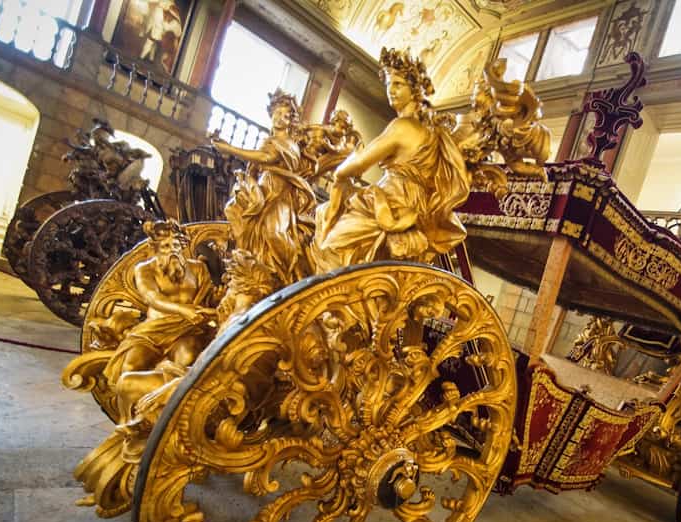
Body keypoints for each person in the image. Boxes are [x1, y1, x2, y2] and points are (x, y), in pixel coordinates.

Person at [314, 47, 469, 270]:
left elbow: (360, 163)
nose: (390, 90)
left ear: (414, 88)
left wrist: (341, 170)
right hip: (413, 207)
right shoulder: (432, 133)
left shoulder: (403, 127)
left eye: (398, 84)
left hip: (393, 203)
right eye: (388, 84)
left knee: (332, 247)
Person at [102, 219, 214, 422]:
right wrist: (183, 310)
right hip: (153, 331)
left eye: (176, 246)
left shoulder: (198, 269)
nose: (172, 250)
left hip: (188, 330)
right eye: (166, 246)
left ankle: (171, 416)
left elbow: (207, 299)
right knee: (130, 366)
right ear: (155, 248)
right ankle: (129, 422)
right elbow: (152, 298)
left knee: (187, 358)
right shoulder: (144, 269)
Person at [211, 91, 317, 284]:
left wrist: (230, 149)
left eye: (285, 115)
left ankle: (285, 278)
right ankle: (248, 267)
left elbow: (266, 158)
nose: (279, 118)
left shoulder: (288, 144)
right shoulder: (268, 141)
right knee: (244, 222)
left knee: (274, 233)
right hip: (263, 189)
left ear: (290, 121)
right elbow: (259, 164)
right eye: (276, 113)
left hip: (280, 194)